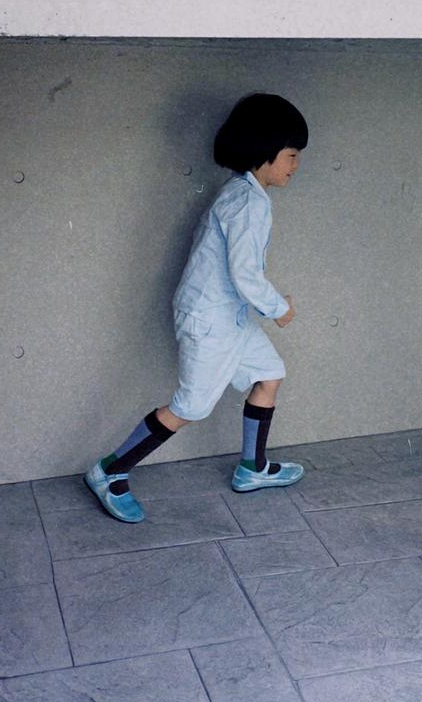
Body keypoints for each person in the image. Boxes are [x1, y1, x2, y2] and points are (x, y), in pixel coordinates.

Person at [85, 92, 308, 523]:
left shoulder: (247, 195)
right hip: (211, 320)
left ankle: (252, 468)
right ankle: (108, 471)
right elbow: (244, 275)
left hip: (230, 317)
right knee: (191, 407)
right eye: (291, 155)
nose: (296, 165)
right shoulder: (246, 203)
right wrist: (278, 308)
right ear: (265, 152)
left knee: (269, 374)